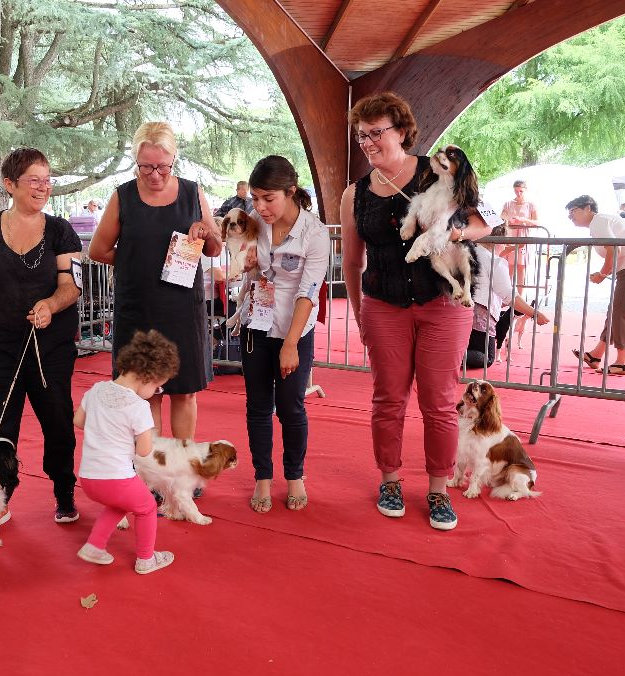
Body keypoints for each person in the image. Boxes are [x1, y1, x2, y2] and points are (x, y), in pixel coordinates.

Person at [339, 91, 491, 531]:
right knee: (387, 399)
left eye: (376, 132)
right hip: (383, 305)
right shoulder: (356, 194)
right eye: (361, 135)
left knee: (440, 402)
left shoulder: (438, 171)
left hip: (442, 304)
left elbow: (482, 224)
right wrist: (359, 313)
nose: (367, 142)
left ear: (402, 132)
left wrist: (453, 232)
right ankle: (390, 480)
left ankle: (439, 489)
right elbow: (352, 261)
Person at [0, 147, 83, 523]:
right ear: (10, 185)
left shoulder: (60, 230)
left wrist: (51, 305)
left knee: (58, 423)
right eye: (34, 180)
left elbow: (72, 285)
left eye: (47, 180)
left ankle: (64, 491)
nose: (43, 187)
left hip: (51, 348)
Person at [88, 122, 222, 441]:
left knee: (185, 391)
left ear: (174, 159)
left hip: (182, 310)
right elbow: (98, 249)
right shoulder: (123, 196)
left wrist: (205, 233)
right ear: (136, 161)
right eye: (146, 166)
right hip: (138, 310)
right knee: (146, 394)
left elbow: (215, 247)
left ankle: (183, 466)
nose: (155, 174)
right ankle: (152, 472)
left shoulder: (192, 192)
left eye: (163, 166)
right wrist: (137, 260)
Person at [236, 156, 328, 513]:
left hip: (295, 330)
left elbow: (308, 291)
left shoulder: (315, 233)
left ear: (291, 192)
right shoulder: (254, 223)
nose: (260, 207)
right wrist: (243, 265)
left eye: (268, 198)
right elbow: (239, 265)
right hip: (255, 325)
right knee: (258, 406)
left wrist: (290, 344)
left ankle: (294, 475)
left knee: (291, 406)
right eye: (255, 198)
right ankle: (262, 476)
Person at [73, 330, 179, 574]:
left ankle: (94, 546)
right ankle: (146, 558)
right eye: (157, 387)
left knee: (119, 504)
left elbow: (78, 421)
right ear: (148, 377)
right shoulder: (139, 407)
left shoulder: (97, 389)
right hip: (116, 477)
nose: (155, 393)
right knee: (147, 508)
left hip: (89, 477)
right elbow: (144, 451)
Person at [567, 195, 625, 376]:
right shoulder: (599, 222)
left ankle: (623, 362)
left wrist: (602, 274)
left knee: (620, 312)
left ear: (588, 208)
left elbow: (615, 248)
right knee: (615, 311)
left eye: (573, 211)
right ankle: (595, 355)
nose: (571, 216)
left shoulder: (599, 222)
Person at [466, 226, 550, 369]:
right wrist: (534, 313)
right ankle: (445, 355)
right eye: (506, 240)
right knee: (487, 357)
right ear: (500, 240)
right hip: (480, 313)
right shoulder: (495, 262)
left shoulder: (471, 252)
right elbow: (509, 295)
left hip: (463, 310)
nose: (507, 244)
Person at [499, 179, 539, 293]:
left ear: (525, 190)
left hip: (524, 235)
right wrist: (508, 221)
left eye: (521, 191)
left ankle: (520, 296)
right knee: (509, 266)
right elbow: (501, 219)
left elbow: (537, 222)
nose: (518, 193)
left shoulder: (531, 205)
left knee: (521, 266)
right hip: (511, 235)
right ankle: (507, 294)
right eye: (516, 191)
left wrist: (523, 220)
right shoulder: (508, 204)